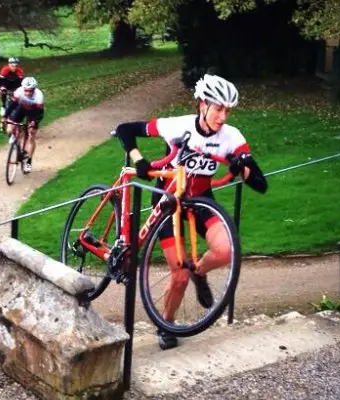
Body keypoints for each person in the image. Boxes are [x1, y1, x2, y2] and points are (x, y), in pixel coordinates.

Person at [113, 74, 268, 350]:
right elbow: (125, 130)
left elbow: (260, 183)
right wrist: (141, 162)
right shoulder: (177, 126)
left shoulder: (232, 137)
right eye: (218, 108)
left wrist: (239, 167)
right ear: (202, 105)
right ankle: (167, 324)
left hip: (200, 201)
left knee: (225, 249)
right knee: (178, 275)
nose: (223, 116)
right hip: (167, 202)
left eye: (227, 110)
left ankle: (200, 270)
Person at [3, 76, 45, 174]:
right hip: (21, 109)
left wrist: (34, 122)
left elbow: (40, 113)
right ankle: (15, 143)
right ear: (23, 88)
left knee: (32, 134)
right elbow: (12, 105)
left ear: (34, 89)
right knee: (9, 128)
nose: (28, 93)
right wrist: (5, 116)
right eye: (26, 90)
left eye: (30, 91)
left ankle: (29, 161)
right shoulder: (19, 91)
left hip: (34, 112)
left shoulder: (39, 96)